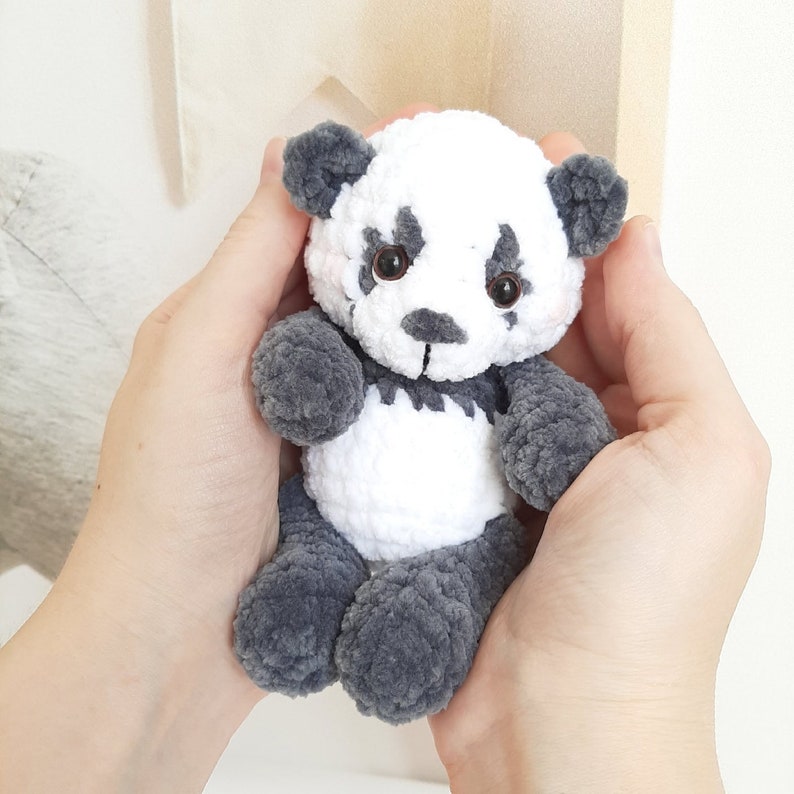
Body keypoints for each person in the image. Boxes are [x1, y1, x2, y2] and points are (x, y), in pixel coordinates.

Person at [0, 105, 770, 793]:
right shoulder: (342, 336)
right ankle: (313, 594)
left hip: (468, 545)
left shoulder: (518, 376)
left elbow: (559, 444)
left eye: (502, 289)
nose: (436, 316)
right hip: (323, 519)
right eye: (392, 264)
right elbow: (300, 381)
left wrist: (562, 448)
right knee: (300, 572)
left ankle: (418, 626)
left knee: (443, 603)